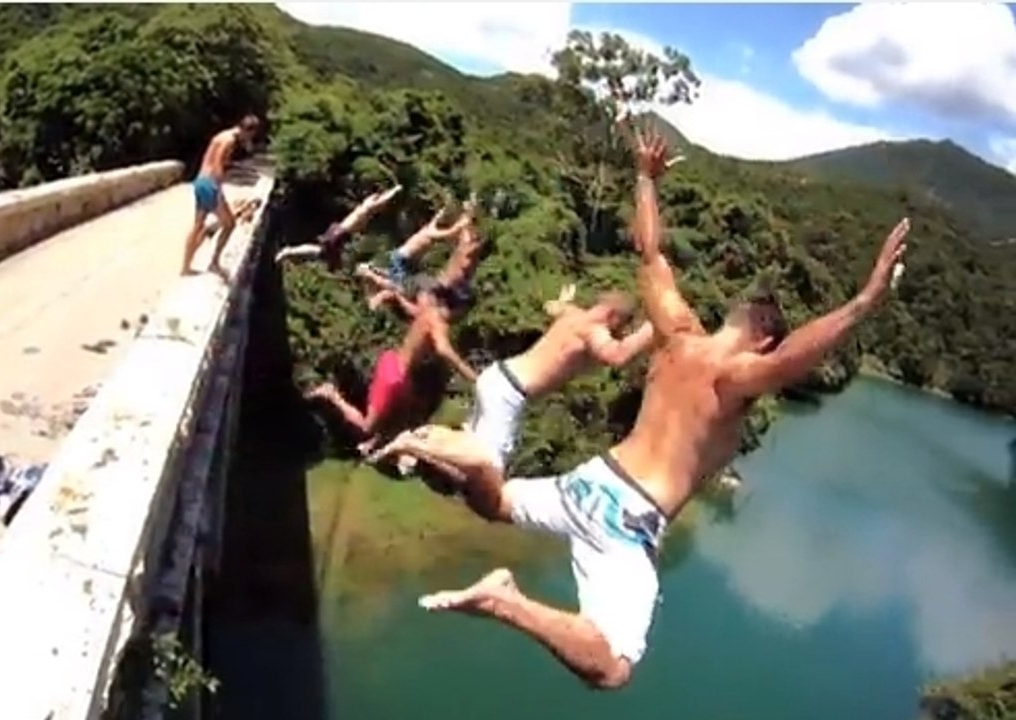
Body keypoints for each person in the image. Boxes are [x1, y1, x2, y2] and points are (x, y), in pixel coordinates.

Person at [377, 124, 911, 691]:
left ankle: (474, 457)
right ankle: (504, 600)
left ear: (734, 317)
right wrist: (862, 303)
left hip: (588, 482)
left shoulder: (678, 334)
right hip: (627, 521)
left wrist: (644, 179)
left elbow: (649, 250)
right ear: (764, 342)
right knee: (612, 668)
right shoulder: (736, 376)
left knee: (496, 500)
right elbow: (794, 361)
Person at [369, 283, 654, 477]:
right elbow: (617, 356)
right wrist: (652, 329)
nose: (619, 332)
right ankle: (414, 444)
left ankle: (422, 437)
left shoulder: (572, 315)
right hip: (509, 392)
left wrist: (564, 300)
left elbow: (551, 306)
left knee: (470, 446)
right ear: (612, 316)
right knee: (491, 466)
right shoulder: (594, 332)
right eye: (621, 326)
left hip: (498, 377)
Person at [305, 290, 479, 454]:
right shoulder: (440, 323)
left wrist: (388, 296)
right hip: (393, 377)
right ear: (460, 308)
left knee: (402, 418)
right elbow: (443, 349)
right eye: (465, 312)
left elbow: (406, 307)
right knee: (367, 426)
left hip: (396, 368)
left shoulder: (428, 311)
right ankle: (331, 394)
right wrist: (474, 377)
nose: (463, 317)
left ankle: (373, 445)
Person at [182, 114, 262, 278]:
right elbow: (218, 163)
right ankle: (214, 262)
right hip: (210, 184)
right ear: (248, 131)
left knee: (198, 225)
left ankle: (186, 267)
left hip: (200, 180)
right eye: (250, 135)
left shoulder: (222, 135)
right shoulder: (230, 141)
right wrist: (218, 187)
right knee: (229, 224)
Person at [356, 195, 475, 298]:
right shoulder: (431, 233)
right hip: (402, 260)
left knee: (422, 282)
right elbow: (451, 231)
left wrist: (444, 211)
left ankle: (374, 270)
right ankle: (369, 273)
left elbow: (437, 219)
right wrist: (465, 220)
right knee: (403, 289)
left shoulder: (430, 227)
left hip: (406, 260)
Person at [274, 185, 404, 270]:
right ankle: (288, 252)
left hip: (341, 232)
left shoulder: (365, 209)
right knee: (320, 251)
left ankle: (289, 252)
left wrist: (392, 191)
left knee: (320, 251)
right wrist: (395, 191)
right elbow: (378, 203)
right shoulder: (366, 209)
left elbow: (377, 203)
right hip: (340, 233)